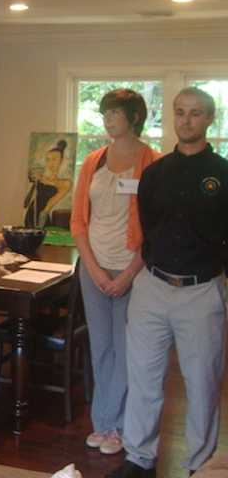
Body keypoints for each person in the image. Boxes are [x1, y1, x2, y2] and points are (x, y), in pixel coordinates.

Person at [107, 88, 228, 478]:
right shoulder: (155, 173)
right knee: (143, 378)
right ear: (172, 117)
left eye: (195, 114)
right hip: (152, 287)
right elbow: (148, 231)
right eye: (179, 113)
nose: (186, 120)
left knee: (203, 385)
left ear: (209, 119)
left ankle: (200, 465)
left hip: (202, 291)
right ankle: (139, 458)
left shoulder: (223, 175)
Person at [70, 89, 160, 456]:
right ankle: (103, 422)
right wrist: (92, 268)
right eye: (105, 112)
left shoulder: (152, 162)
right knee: (100, 348)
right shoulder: (93, 160)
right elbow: (78, 221)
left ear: (133, 117)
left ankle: (121, 426)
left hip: (132, 271)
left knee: (127, 352)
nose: (108, 119)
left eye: (115, 113)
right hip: (93, 268)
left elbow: (154, 228)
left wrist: (125, 275)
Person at [24, 139, 72, 227]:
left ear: (61, 160)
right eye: (48, 159)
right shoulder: (40, 177)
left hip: (42, 216)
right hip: (31, 213)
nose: (51, 163)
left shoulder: (65, 183)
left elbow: (49, 205)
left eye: (54, 159)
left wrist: (41, 219)